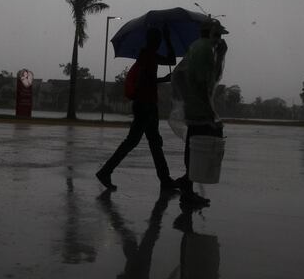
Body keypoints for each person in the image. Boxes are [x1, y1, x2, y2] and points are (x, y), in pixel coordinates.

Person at [96, 26, 177, 191]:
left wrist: (162, 79)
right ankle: (106, 171)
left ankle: (165, 180)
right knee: (140, 142)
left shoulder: (146, 55)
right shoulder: (149, 56)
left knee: (151, 143)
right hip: (146, 106)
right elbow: (168, 63)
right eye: (159, 40)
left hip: (145, 105)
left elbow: (167, 63)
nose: (159, 42)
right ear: (155, 41)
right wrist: (168, 38)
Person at [174, 19, 228, 206]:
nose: (220, 40)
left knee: (193, 145)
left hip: (193, 106)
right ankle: (187, 187)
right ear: (215, 35)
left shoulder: (196, 46)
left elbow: (180, 75)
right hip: (200, 108)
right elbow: (206, 84)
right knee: (203, 146)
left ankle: (186, 182)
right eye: (219, 36)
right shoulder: (205, 50)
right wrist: (211, 114)